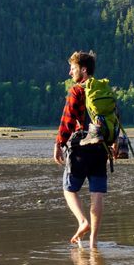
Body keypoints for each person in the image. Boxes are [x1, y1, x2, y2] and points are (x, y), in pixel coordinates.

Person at [53, 50, 108, 249]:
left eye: (73, 68)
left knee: (69, 190)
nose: (70, 72)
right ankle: (93, 241)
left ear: (83, 70)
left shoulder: (77, 91)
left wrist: (58, 144)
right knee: (97, 194)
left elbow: (67, 121)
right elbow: (114, 118)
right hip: (101, 150)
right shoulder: (103, 90)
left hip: (80, 149)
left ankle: (82, 221)